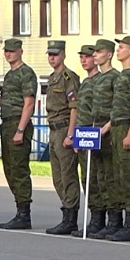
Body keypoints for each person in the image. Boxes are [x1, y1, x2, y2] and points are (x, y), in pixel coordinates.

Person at [105, 36, 130, 242]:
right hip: (117, 128)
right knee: (119, 177)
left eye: (121, 47)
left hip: (128, 129)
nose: (118, 50)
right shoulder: (123, 75)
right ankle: (120, 222)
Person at [0, 38, 37, 229]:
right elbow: (6, 102)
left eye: (12, 51)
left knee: (19, 169)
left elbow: (29, 103)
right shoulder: (9, 75)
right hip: (7, 124)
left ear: (20, 51)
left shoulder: (26, 73)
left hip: (18, 124)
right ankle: (19, 209)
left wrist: (20, 129)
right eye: (6, 51)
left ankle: (24, 214)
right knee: (10, 169)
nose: (8, 54)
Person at [44, 40, 81, 235]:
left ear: (63, 55)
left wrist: (71, 134)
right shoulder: (52, 78)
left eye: (55, 55)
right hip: (53, 129)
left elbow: (74, 107)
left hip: (64, 129)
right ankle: (65, 211)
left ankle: (70, 218)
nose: (52, 58)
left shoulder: (69, 77)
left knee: (68, 176)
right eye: (49, 55)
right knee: (58, 177)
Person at [86, 39, 120, 238]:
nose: (95, 55)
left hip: (107, 132)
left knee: (110, 177)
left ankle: (114, 220)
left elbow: (117, 108)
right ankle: (99, 219)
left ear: (108, 55)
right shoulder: (97, 79)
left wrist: (105, 129)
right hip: (95, 130)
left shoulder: (114, 77)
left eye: (99, 52)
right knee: (98, 177)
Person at [73, 44, 99, 234]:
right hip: (82, 136)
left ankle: (100, 219)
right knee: (87, 178)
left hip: (94, 135)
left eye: (87, 57)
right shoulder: (84, 82)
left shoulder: (100, 81)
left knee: (97, 178)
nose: (84, 60)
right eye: (82, 57)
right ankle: (94, 216)